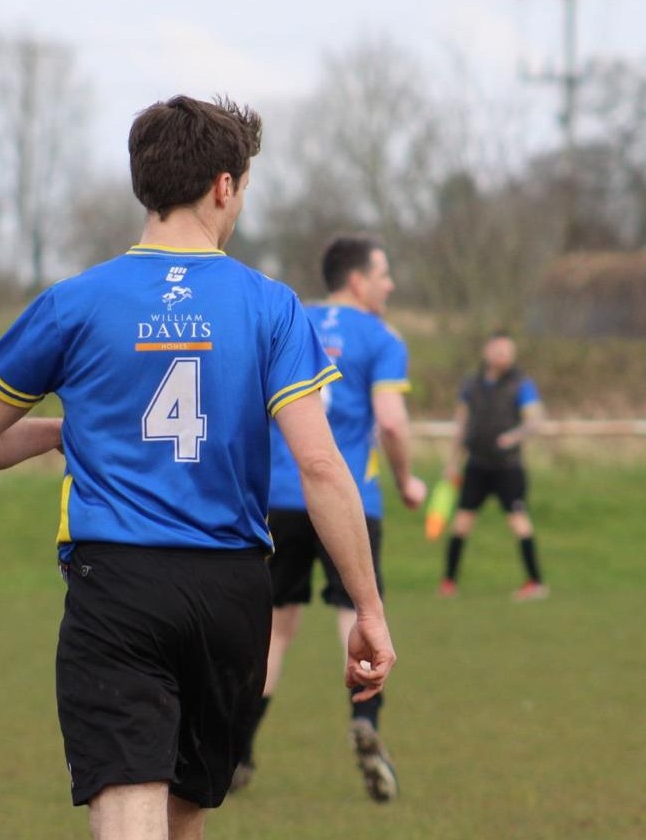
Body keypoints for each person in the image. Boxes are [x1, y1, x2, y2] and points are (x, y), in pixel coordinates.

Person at [0, 95, 396, 840]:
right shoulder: (272, 307)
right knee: (184, 819)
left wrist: (64, 432)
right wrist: (369, 610)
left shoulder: (74, 302)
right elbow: (319, 464)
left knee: (128, 812)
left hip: (118, 586)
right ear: (225, 185)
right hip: (230, 593)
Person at [232, 235, 425, 803]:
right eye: (384, 274)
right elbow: (390, 420)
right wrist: (408, 479)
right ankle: (366, 722)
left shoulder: (288, 320)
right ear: (359, 280)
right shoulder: (382, 338)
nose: (389, 285)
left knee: (275, 628)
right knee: (357, 612)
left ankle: (239, 749)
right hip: (346, 499)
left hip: (280, 496)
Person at [439, 331, 548, 601]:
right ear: (487, 351)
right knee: (461, 523)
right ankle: (448, 583)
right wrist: (453, 463)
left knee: (519, 523)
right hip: (477, 465)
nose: (504, 356)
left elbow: (535, 419)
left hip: (507, 467)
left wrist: (515, 435)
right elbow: (461, 425)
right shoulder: (471, 384)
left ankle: (535, 583)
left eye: (508, 352)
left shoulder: (521, 384)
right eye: (499, 351)